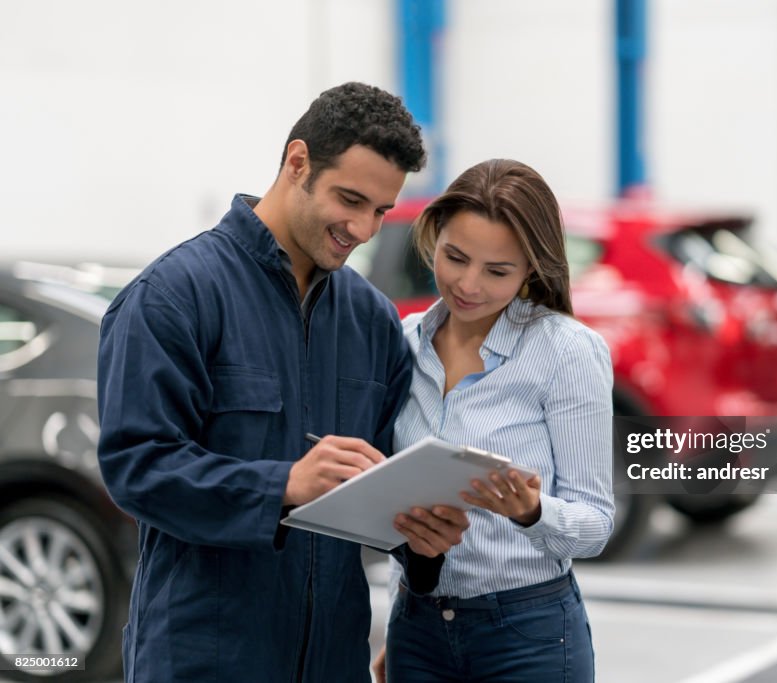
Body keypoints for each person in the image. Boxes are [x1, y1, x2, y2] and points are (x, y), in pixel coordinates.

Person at [97, 82, 468, 682]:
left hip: (333, 661)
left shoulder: (372, 321)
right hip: (204, 659)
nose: (365, 229)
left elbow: (387, 482)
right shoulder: (173, 297)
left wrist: (422, 544)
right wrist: (284, 484)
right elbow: (138, 468)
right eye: (350, 199)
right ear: (297, 163)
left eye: (379, 210)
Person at [374, 159, 615, 682]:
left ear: (532, 268)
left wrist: (531, 511)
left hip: (527, 634)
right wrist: (399, 617)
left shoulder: (567, 352)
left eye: (497, 271)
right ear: (433, 237)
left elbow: (595, 524)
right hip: (418, 630)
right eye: (454, 257)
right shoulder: (403, 342)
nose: (468, 284)